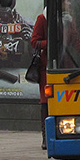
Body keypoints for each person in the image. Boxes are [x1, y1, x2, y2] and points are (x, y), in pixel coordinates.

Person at [30, 9, 48, 149]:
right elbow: (34, 42)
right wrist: (50, 43)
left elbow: (76, 40)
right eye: (66, 0)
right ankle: (46, 138)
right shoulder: (43, 18)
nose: (69, 3)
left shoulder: (70, 20)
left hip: (67, 65)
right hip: (46, 67)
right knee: (46, 101)